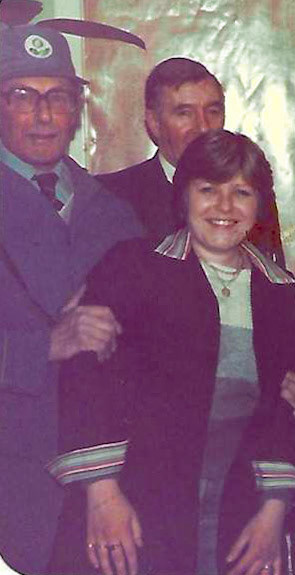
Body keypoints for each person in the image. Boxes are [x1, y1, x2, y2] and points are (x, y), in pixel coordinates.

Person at [48, 130, 295, 575]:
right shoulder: (132, 268)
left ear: (259, 205)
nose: (224, 208)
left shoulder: (280, 291)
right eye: (208, 190)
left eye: (240, 193)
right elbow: (85, 378)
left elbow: (285, 410)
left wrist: (273, 515)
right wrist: (103, 495)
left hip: (237, 509)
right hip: (132, 504)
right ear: (183, 195)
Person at [0, 23, 143, 573]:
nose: (42, 114)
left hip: (110, 477)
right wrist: (42, 346)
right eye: (22, 96)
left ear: (77, 110)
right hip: (15, 482)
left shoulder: (113, 213)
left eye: (57, 97)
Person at [96, 57, 225, 243]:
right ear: (154, 123)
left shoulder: (246, 195)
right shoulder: (111, 198)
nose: (204, 127)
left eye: (213, 111)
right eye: (185, 113)